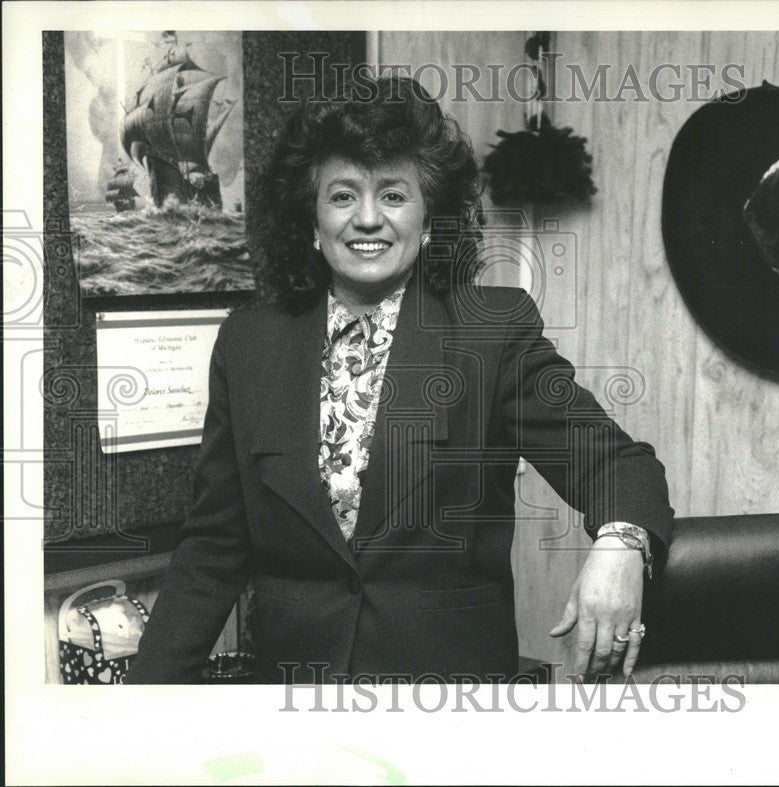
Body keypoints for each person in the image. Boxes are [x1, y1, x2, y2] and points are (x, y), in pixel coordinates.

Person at [126, 76, 674, 685]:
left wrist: (622, 544)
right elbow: (212, 547)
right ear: (310, 219)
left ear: (429, 217)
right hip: (294, 701)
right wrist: (140, 707)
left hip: (448, 706)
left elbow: (619, 465)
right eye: (342, 196)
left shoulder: (490, 332)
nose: (367, 219)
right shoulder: (249, 344)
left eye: (392, 194)